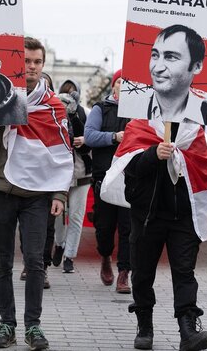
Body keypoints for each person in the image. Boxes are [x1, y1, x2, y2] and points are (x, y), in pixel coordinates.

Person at [0, 37, 73, 351]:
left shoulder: (53, 107)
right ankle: (7, 323)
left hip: (38, 195)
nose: (32, 67)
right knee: (2, 263)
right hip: (2, 190)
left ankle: (33, 326)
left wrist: (60, 195)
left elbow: (63, 155)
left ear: (43, 65)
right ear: (17, 63)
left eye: (37, 62)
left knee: (36, 262)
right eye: (26, 61)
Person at [102, 116, 207, 351]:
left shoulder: (192, 130)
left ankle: (188, 330)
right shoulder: (139, 125)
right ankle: (144, 324)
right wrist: (152, 155)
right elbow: (130, 168)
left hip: (184, 216)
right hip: (148, 216)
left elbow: (204, 168)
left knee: (185, 272)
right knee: (143, 273)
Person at [84, 70, 132, 293]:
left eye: (129, 83)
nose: (124, 85)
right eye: (121, 82)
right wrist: (114, 137)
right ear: (113, 87)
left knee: (128, 228)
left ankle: (124, 273)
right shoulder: (100, 109)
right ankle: (105, 256)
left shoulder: (139, 113)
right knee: (104, 227)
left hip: (131, 178)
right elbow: (89, 136)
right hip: (105, 177)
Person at [52, 79, 92, 274]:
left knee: (76, 216)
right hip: (59, 174)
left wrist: (83, 139)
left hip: (82, 172)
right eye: (66, 92)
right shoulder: (53, 112)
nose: (69, 95)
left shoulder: (85, 113)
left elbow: (91, 140)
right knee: (58, 215)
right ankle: (59, 244)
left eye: (73, 92)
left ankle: (70, 255)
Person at [146, 24, 207, 125]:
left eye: (170, 57)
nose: (158, 68)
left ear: (197, 66)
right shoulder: (134, 108)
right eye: (155, 55)